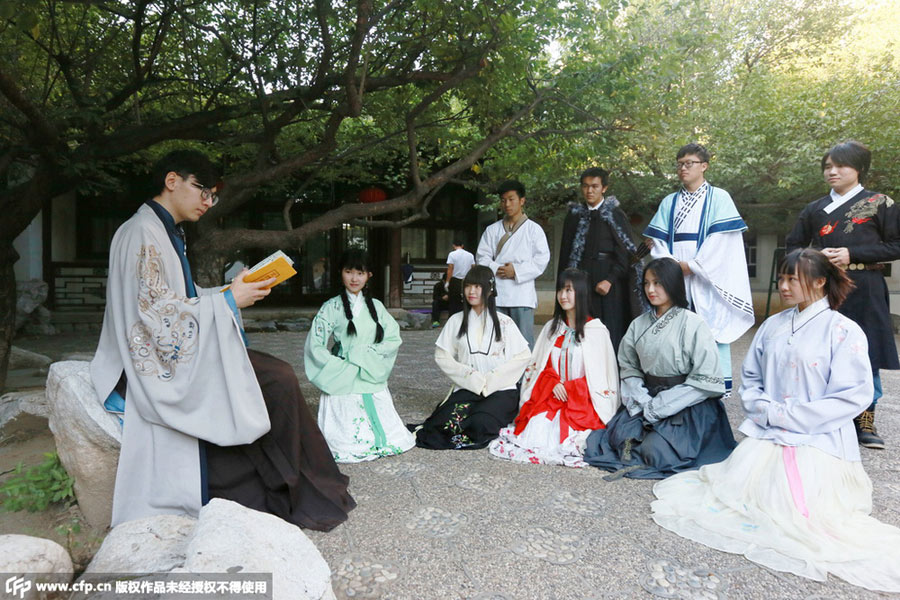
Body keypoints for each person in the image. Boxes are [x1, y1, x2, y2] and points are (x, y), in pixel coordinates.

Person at [91, 150, 354, 530]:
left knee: (273, 378)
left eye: (212, 195)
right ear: (172, 181)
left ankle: (302, 482)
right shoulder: (141, 233)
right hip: (153, 364)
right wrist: (230, 300)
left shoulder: (164, 231)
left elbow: (183, 297)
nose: (208, 202)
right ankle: (295, 486)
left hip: (176, 351)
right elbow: (153, 317)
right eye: (203, 190)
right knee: (276, 379)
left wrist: (232, 290)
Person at [651, 248, 900, 593]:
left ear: (819, 282)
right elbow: (751, 378)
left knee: (804, 516)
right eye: (781, 278)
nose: (783, 286)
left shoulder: (843, 330)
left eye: (792, 279)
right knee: (741, 500)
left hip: (819, 437)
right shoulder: (773, 325)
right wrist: (763, 409)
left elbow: (852, 394)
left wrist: (792, 416)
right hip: (769, 430)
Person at [785, 140, 899, 449]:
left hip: (867, 287)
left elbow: (896, 245)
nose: (832, 172)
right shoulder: (814, 209)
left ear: (859, 169)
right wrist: (816, 259)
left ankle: (865, 420)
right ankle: (821, 416)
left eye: (840, 166)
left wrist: (853, 252)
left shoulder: (881, 203)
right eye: (827, 167)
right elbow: (793, 246)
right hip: (823, 289)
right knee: (820, 353)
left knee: (866, 353)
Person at [583, 257, 736, 479]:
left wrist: (662, 406)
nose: (650, 289)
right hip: (647, 395)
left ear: (672, 283)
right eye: (646, 283)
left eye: (657, 283)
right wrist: (641, 398)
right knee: (622, 440)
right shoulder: (639, 324)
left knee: (655, 451)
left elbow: (706, 379)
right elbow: (629, 367)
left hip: (685, 400)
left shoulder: (693, 323)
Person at [644, 143, 754, 394]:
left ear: (704, 166)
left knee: (713, 330)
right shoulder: (669, 202)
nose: (683, 168)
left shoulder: (720, 197)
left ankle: (716, 389)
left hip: (707, 277)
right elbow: (657, 241)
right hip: (674, 277)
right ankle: (678, 387)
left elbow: (723, 241)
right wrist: (671, 266)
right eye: (680, 163)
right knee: (676, 332)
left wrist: (693, 266)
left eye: (689, 163)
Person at [489, 269, 619, 467]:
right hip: (550, 396)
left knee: (575, 439)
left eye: (569, 290)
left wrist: (571, 388)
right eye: (560, 290)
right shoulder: (552, 327)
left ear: (582, 293)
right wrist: (553, 382)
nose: (563, 296)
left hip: (582, 400)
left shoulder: (596, 331)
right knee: (537, 429)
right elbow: (540, 366)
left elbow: (601, 377)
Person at [304, 249, 416, 463]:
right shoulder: (331, 307)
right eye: (349, 272)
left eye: (360, 273)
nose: (354, 278)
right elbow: (315, 344)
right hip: (342, 372)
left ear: (369, 276)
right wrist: (335, 364)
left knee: (390, 434)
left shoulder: (377, 307)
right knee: (345, 438)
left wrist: (371, 354)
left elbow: (392, 338)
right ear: (341, 273)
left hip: (369, 369)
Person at [413, 265, 531, 449]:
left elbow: (523, 356)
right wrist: (468, 375)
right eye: (468, 286)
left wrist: (494, 378)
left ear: (490, 290)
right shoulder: (456, 321)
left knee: (480, 423)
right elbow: (442, 356)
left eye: (478, 286)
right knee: (444, 424)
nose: (472, 291)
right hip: (468, 387)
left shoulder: (505, 322)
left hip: (500, 390)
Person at [558, 167, 646, 351]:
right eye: (586, 186)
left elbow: (626, 254)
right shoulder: (574, 216)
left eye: (595, 186)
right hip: (580, 283)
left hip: (608, 284)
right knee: (580, 333)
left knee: (608, 333)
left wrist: (610, 280)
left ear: (604, 188)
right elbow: (566, 254)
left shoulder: (615, 215)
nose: (589, 191)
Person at [476, 180, 551, 349]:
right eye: (503, 200)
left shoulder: (534, 230)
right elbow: (482, 257)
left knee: (523, 343)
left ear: (522, 200)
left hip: (522, 294)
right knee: (497, 341)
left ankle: (525, 376)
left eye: (511, 199)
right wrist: (498, 269)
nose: (507, 204)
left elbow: (541, 259)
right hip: (497, 293)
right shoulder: (492, 230)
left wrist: (515, 271)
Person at [445, 239, 475, 316]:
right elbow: (473, 268)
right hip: (467, 280)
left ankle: (453, 318)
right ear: (462, 245)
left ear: (453, 245)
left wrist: (447, 282)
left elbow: (450, 268)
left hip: (455, 280)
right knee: (467, 300)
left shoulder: (452, 254)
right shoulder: (470, 255)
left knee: (454, 302)